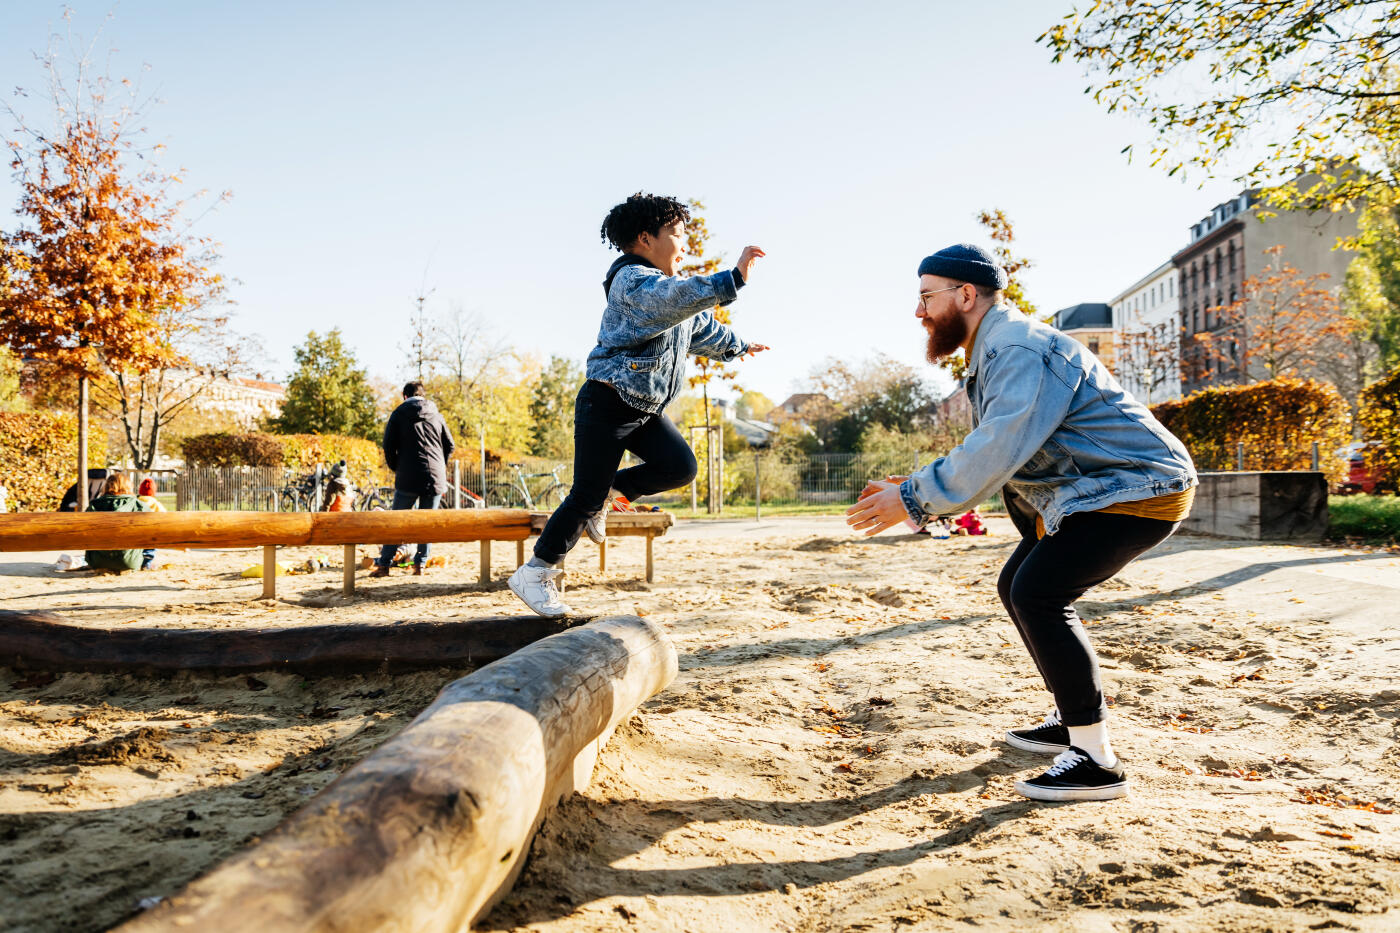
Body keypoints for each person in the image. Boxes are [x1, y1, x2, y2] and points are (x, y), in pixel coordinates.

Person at [845, 243, 1197, 803]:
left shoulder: (1015, 347)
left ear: (965, 295)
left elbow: (999, 444)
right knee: (1019, 585)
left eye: (925, 297)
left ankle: (1096, 762)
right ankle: (1072, 720)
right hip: (1097, 492)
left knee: (1039, 593)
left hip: (1136, 488)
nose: (918, 312)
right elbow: (1018, 455)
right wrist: (915, 493)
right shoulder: (996, 348)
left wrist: (912, 498)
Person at [509, 192, 768, 617]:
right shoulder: (633, 283)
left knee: (681, 466)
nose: (684, 245)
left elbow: (700, 327)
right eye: (677, 235)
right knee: (584, 496)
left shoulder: (665, 295)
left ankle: (616, 492)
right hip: (608, 403)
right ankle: (536, 571)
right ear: (646, 239)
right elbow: (678, 298)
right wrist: (732, 277)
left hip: (644, 408)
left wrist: (739, 346)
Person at [372, 383, 456, 577]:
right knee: (427, 522)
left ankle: (384, 565)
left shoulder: (398, 414)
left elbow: (388, 445)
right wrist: (439, 465)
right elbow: (450, 445)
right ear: (423, 395)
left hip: (408, 476)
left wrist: (396, 467)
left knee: (396, 521)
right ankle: (420, 565)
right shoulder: (436, 414)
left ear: (404, 395)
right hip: (435, 477)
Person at [85, 473, 149, 572]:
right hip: (130, 561)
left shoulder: (94, 505)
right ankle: (147, 562)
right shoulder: (138, 505)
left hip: (97, 561)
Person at [135, 477, 166, 570]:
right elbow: (164, 515)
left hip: (137, 531)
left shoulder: (136, 501)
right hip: (150, 533)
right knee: (150, 547)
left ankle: (138, 562)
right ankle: (146, 564)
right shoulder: (155, 503)